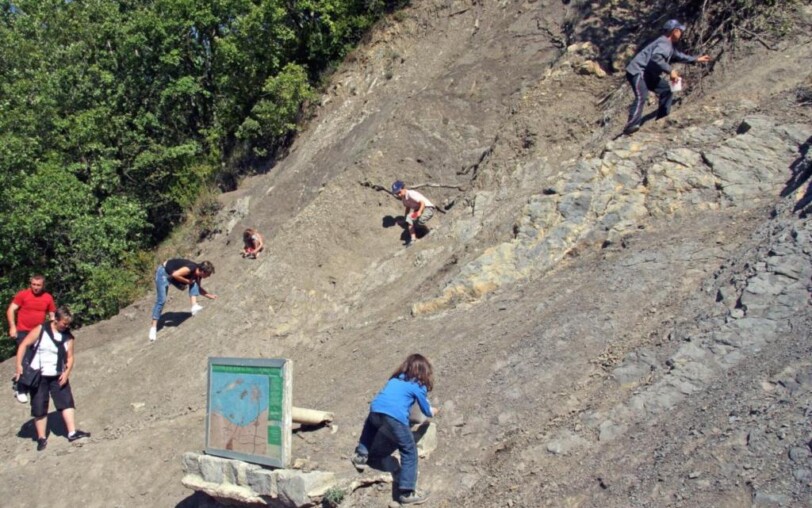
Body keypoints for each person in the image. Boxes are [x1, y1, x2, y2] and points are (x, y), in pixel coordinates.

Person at [351, 354, 438, 505]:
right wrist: (435, 411)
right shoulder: (418, 386)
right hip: (394, 417)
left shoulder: (395, 379)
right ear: (424, 371)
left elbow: (390, 400)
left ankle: (361, 456)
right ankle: (406, 492)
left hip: (375, 409)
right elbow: (426, 410)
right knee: (409, 449)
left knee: (371, 425)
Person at [14, 307, 90, 451]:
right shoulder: (41, 329)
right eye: (64, 323)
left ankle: (72, 432)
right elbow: (24, 345)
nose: (66, 326)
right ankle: (42, 437)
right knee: (39, 405)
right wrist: (19, 365)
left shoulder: (68, 337)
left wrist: (67, 372)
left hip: (57, 374)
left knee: (66, 401)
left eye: (68, 324)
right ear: (55, 320)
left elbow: (70, 357)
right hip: (39, 375)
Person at [623, 19, 711, 135]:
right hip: (638, 71)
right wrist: (671, 71)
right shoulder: (664, 43)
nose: (681, 33)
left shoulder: (668, 45)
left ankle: (662, 118)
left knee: (666, 89)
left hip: (648, 74)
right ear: (674, 31)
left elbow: (679, 56)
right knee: (641, 95)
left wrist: (696, 59)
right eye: (680, 31)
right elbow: (656, 58)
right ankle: (631, 125)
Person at [7, 275, 56, 403]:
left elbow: (52, 314)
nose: (35, 287)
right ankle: (21, 388)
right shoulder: (23, 295)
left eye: (38, 285)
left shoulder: (47, 297)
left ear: (43, 285)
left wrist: (53, 330)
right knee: (25, 358)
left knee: (36, 358)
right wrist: (12, 327)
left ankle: (32, 383)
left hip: (38, 332)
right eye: (33, 284)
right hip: (23, 331)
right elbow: (11, 309)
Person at [149, 259, 217, 341]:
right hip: (164, 273)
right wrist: (188, 281)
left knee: (194, 282)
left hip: (173, 276)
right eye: (208, 274)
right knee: (162, 300)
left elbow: (198, 288)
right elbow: (175, 274)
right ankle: (153, 328)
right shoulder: (191, 268)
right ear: (203, 272)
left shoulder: (198, 275)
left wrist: (210, 296)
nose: (208, 276)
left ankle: (194, 305)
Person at [392, 180, 437, 247]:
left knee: (420, 221)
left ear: (403, 188)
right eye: (396, 193)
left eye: (399, 192)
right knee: (409, 219)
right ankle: (413, 239)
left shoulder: (411, 193)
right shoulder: (404, 199)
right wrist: (405, 219)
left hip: (427, 208)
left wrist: (419, 212)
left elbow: (422, 202)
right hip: (418, 210)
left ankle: (428, 231)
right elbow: (407, 208)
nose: (398, 194)